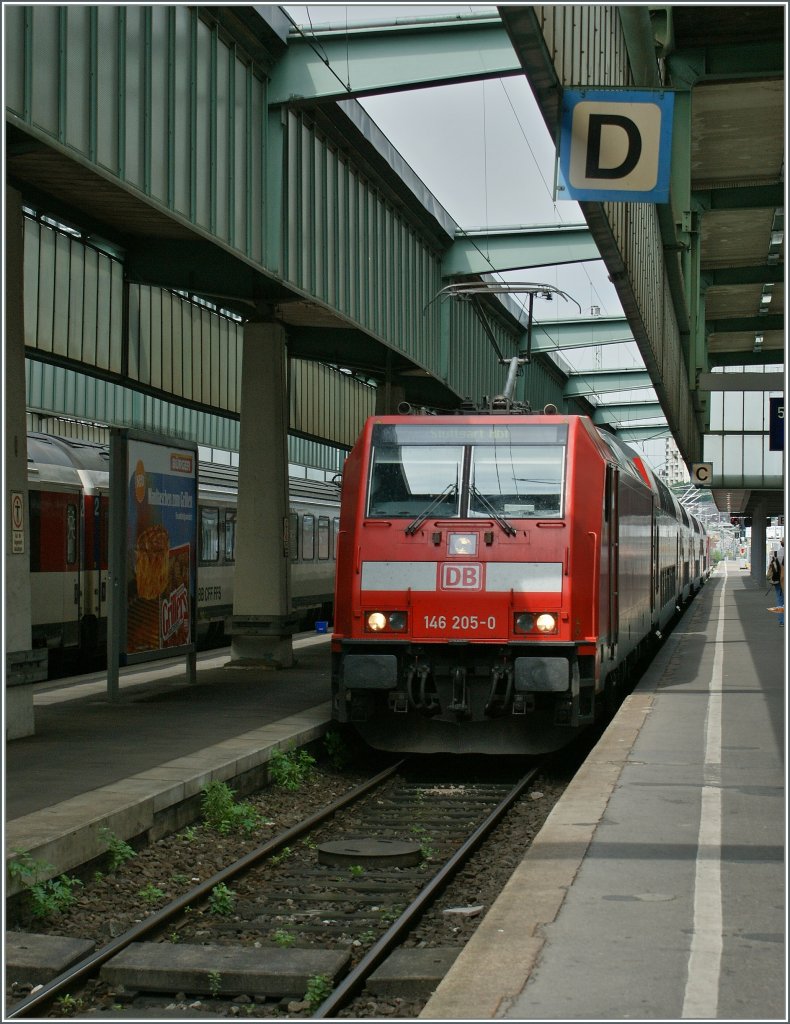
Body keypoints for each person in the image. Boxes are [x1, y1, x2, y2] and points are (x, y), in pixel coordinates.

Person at [767, 540, 784, 626]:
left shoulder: (776, 554)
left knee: (780, 600)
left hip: (778, 580)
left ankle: (782, 621)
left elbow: (771, 567)